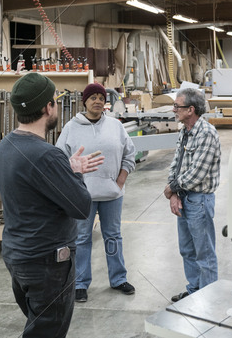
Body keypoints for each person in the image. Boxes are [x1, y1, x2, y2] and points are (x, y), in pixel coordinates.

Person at [0, 73, 104, 338]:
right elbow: (81, 207)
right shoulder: (46, 154)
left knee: (38, 324)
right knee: (46, 332)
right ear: (47, 107)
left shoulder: (6, 145)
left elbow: (33, 185)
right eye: (54, 101)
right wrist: (74, 175)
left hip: (18, 255)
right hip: (47, 264)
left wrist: (63, 172)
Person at [56, 82, 137, 303]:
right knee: (82, 238)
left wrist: (120, 180)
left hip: (112, 194)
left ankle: (118, 278)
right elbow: (60, 160)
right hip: (83, 196)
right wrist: (73, 186)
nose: (98, 101)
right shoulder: (71, 127)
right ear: (85, 101)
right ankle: (80, 283)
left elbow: (130, 154)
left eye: (101, 97)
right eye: (93, 97)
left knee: (114, 236)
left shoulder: (115, 126)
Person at [164, 88, 221, 303]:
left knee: (204, 253)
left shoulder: (206, 133)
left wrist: (172, 189)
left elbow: (198, 173)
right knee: (187, 250)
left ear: (190, 109)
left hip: (199, 200)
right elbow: (176, 164)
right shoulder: (185, 132)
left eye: (177, 106)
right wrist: (174, 194)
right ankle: (195, 291)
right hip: (184, 197)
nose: (174, 109)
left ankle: (209, 299)